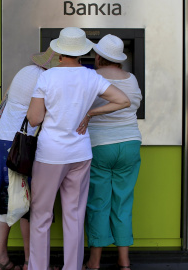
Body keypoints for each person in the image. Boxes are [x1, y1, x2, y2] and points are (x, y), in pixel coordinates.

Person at [26, 27, 131, 270]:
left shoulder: (47, 77)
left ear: (59, 52)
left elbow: (34, 119)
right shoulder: (91, 77)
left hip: (50, 155)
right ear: (82, 53)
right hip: (80, 154)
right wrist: (90, 112)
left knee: (42, 216)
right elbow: (123, 100)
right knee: (74, 215)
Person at [0, 47, 60, 270]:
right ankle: (31, 262)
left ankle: (0, 259)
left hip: (3, 140)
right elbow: (38, 116)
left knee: (6, 204)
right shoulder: (46, 79)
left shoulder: (24, 71)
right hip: (24, 145)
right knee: (28, 203)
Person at [81, 34, 142, 270]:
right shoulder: (133, 79)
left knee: (98, 203)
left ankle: (94, 263)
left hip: (100, 145)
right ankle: (124, 262)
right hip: (130, 145)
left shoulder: (91, 77)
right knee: (123, 202)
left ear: (98, 57)